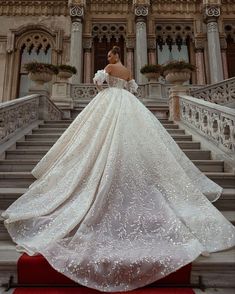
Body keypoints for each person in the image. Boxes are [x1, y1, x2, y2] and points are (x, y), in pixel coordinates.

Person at [2, 46, 235, 292]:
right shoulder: (126, 71)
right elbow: (132, 87)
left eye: (109, 55)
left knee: (95, 143)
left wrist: (102, 83)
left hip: (110, 104)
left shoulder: (111, 69)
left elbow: (99, 86)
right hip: (129, 106)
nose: (108, 58)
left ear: (115, 56)